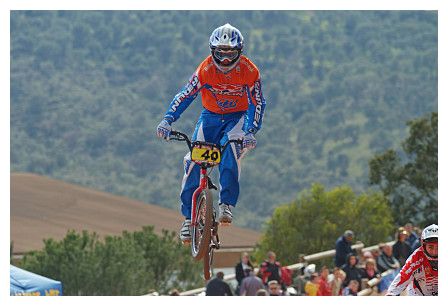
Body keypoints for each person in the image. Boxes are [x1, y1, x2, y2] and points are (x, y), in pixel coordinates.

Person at [156, 23, 266, 243]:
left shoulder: (250, 70)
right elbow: (186, 94)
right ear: (212, 51)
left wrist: (251, 131)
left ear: (239, 53)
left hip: (237, 117)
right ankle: (188, 219)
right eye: (220, 54)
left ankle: (226, 204)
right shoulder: (205, 69)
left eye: (230, 54)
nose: (225, 60)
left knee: (231, 151)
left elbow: (258, 102)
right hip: (210, 118)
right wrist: (168, 119)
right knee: (192, 162)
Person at [387, 224, 438, 296]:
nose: (434, 252)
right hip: (418, 294)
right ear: (423, 245)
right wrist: (391, 294)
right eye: (430, 247)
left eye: (438, 247)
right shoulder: (416, 257)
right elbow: (402, 276)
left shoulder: (407, 244)